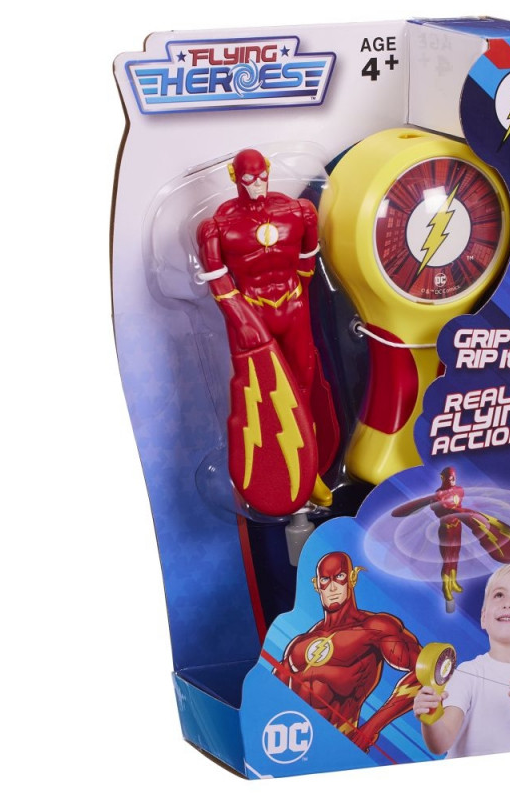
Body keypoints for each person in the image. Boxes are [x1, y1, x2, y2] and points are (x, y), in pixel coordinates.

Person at [195, 149, 337, 513]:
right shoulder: (217, 226)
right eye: (248, 179)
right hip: (251, 312)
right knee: (258, 395)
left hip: (292, 307)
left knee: (302, 388)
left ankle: (309, 473)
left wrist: (298, 295)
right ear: (234, 177)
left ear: (269, 172)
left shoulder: (298, 211)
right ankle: (269, 478)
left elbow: (308, 258)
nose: (257, 185)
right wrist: (241, 317)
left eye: (261, 177)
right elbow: (217, 280)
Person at [274, 551, 423, 752]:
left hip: (341, 745)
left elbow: (428, 670)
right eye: (325, 580)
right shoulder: (298, 644)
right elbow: (272, 696)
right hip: (295, 748)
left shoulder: (375, 627)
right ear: (316, 585)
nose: (332, 587)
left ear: (352, 578)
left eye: (339, 577)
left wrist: (369, 730)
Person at [413, 562, 510, 757]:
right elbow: (441, 743)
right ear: (484, 618)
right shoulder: (468, 673)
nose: (507, 603)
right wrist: (429, 716)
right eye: (499, 595)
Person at [391, 466, 510, 604]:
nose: (452, 480)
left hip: (457, 526)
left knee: (455, 556)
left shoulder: (459, 490)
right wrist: (459, 513)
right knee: (448, 559)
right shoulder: (438, 495)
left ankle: (453, 583)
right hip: (447, 528)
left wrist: (468, 516)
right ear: (443, 478)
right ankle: (446, 588)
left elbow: (458, 507)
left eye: (454, 477)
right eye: (449, 477)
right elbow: (440, 512)